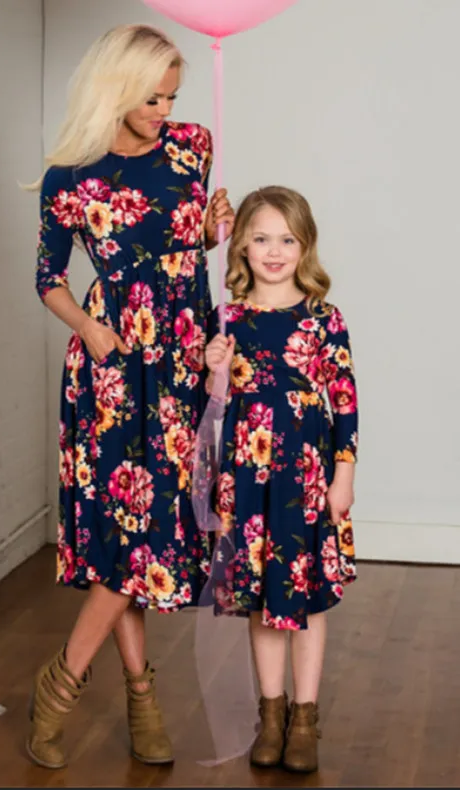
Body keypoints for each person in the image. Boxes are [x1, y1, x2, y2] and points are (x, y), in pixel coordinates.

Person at [27, 24, 234, 770]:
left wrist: (212, 233)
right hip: (112, 367)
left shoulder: (192, 147)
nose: (164, 110)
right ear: (117, 87)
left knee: (149, 533)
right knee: (128, 535)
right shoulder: (70, 176)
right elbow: (48, 278)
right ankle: (127, 696)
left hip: (182, 360)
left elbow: (178, 252)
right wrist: (90, 329)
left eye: (172, 96)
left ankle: (78, 685)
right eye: (152, 97)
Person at [204, 186, 358, 773]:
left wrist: (343, 477)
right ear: (241, 245)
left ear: (305, 245)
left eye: (287, 240)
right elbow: (215, 409)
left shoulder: (323, 319)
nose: (274, 251)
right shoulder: (230, 319)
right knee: (261, 600)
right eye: (262, 238)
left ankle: (305, 718)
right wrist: (214, 371)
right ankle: (271, 715)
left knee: (306, 598)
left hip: (307, 479)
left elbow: (345, 403)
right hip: (248, 479)